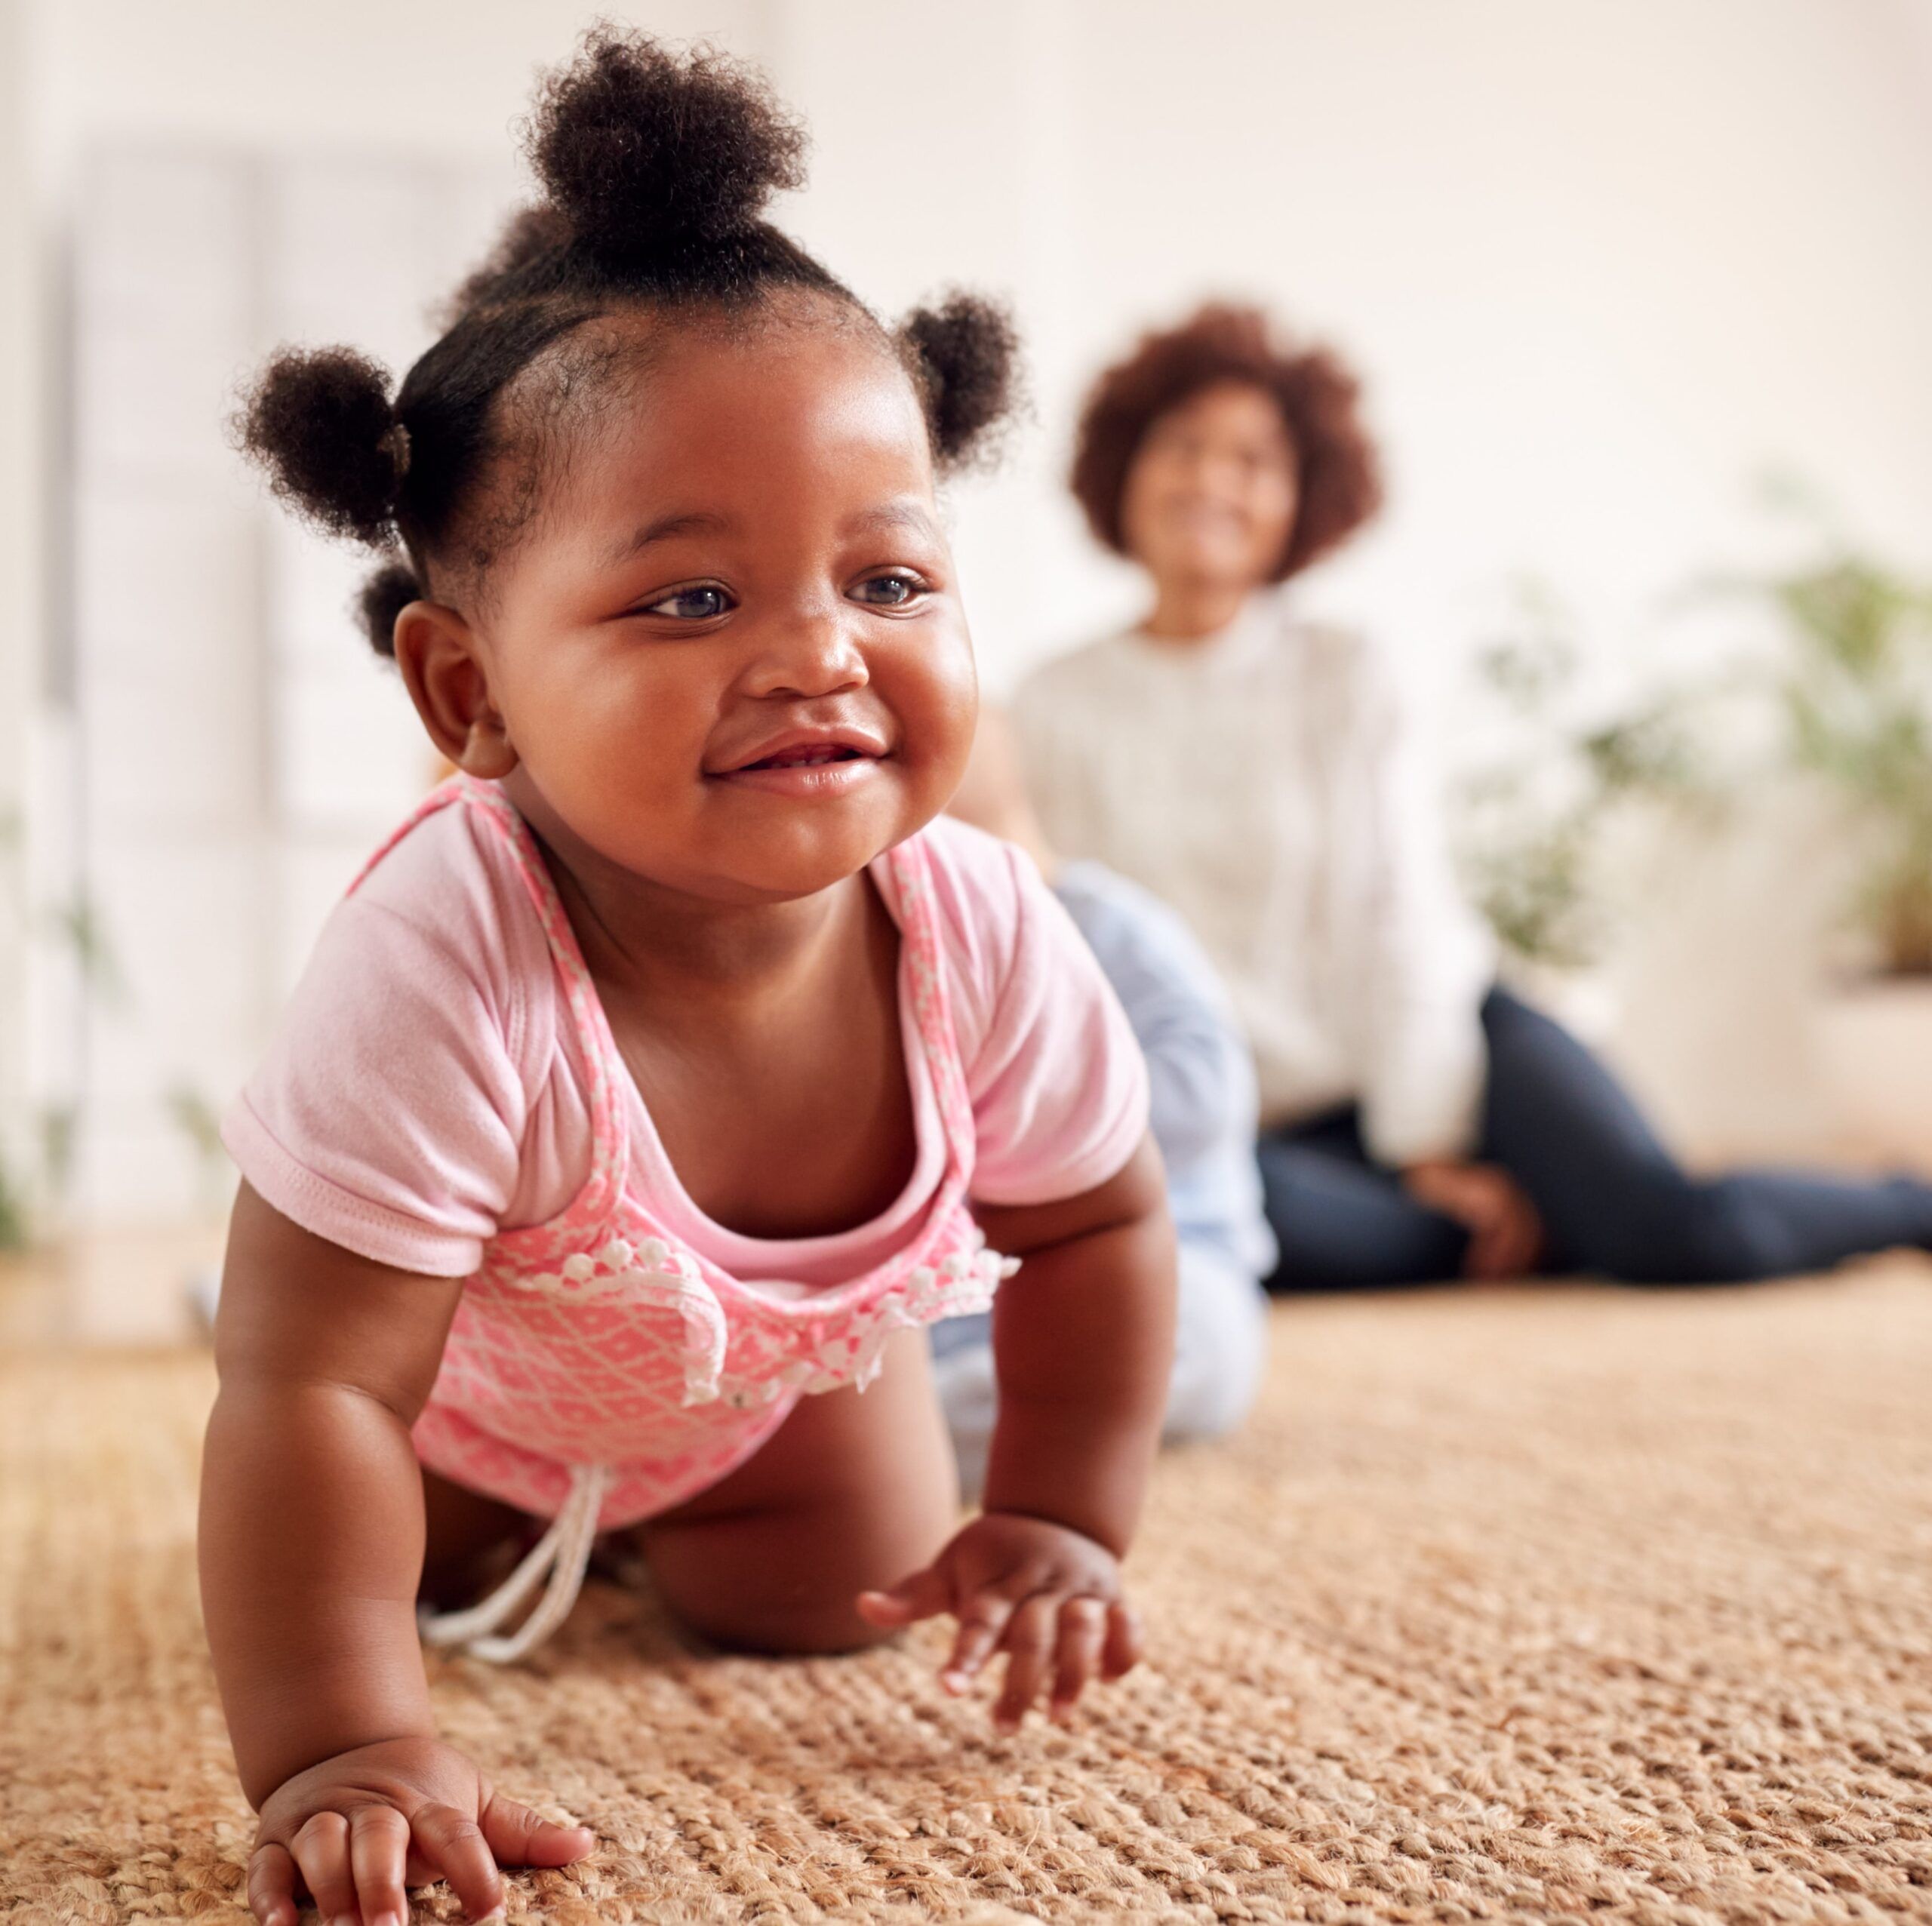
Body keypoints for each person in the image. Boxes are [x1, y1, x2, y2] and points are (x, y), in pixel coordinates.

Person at [204, 35, 1177, 1926]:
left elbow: (1097, 1225)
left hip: (774, 1397)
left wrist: (1057, 1509)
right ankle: (297, 1248)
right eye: (693, 598)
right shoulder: (444, 951)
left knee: (829, 1611)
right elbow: (317, 1381)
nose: (820, 651)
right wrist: (337, 1741)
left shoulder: (977, 925)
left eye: (887, 582)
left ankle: (695, 1512)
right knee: (359, 1541)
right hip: (457, 1399)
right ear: (468, 694)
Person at [1012, 302, 1932, 1292]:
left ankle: (1908, 1203)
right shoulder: (1052, 702)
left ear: (1302, 497)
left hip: (1453, 1046)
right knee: (1212, 1229)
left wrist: (1427, 1143)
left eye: (1253, 461)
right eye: (1184, 447)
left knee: (1677, 1232)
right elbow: (1074, 954)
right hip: (1262, 1126)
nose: (1211, 482)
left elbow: (1399, 911)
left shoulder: (1346, 671)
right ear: (1126, 469)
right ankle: (1528, 1234)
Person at [934, 711, 1273, 1493]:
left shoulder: (1107, 924)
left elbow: (1205, 1086)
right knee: (823, 1349)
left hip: (1151, 1256)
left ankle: (905, 1448)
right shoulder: (891, 950)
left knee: (1193, 1349)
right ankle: (794, 1451)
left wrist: (1020, 1128)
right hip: (949, 1289)